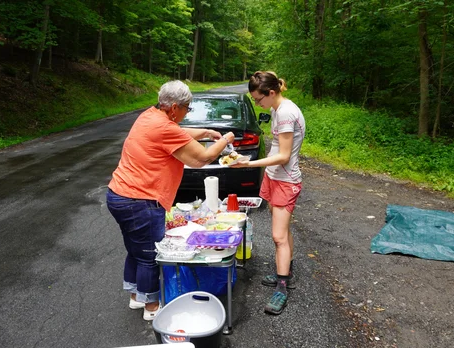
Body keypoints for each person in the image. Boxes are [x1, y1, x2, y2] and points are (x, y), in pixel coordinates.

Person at [106, 80, 236, 321]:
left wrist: (207, 133)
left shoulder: (149, 116)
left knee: (135, 250)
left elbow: (180, 134)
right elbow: (202, 159)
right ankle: (152, 307)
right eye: (187, 108)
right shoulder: (164, 128)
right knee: (149, 255)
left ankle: (136, 297)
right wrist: (225, 139)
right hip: (140, 201)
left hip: (119, 195)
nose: (187, 113)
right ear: (174, 107)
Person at [230, 71, 305, 315]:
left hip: (286, 180)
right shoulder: (276, 107)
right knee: (283, 232)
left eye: (258, 99)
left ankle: (282, 287)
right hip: (274, 177)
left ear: (271, 93)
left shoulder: (285, 113)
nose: (257, 103)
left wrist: (247, 163)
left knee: (278, 237)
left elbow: (283, 155)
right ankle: (287, 270)